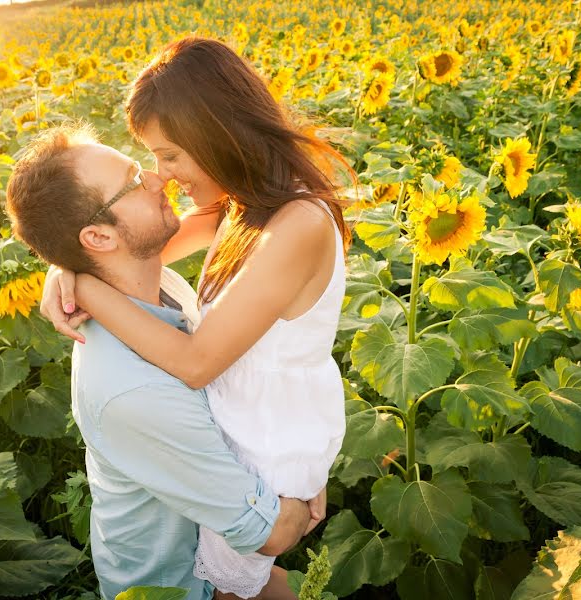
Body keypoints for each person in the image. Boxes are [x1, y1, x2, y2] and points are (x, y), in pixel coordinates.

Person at [41, 38, 350, 599]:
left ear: (219, 135)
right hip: (244, 434)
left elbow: (198, 362)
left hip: (265, 446)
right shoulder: (236, 205)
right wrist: (64, 268)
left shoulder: (297, 224)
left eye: (170, 154)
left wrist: (84, 283)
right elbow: (132, 247)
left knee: (234, 585)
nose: (162, 175)